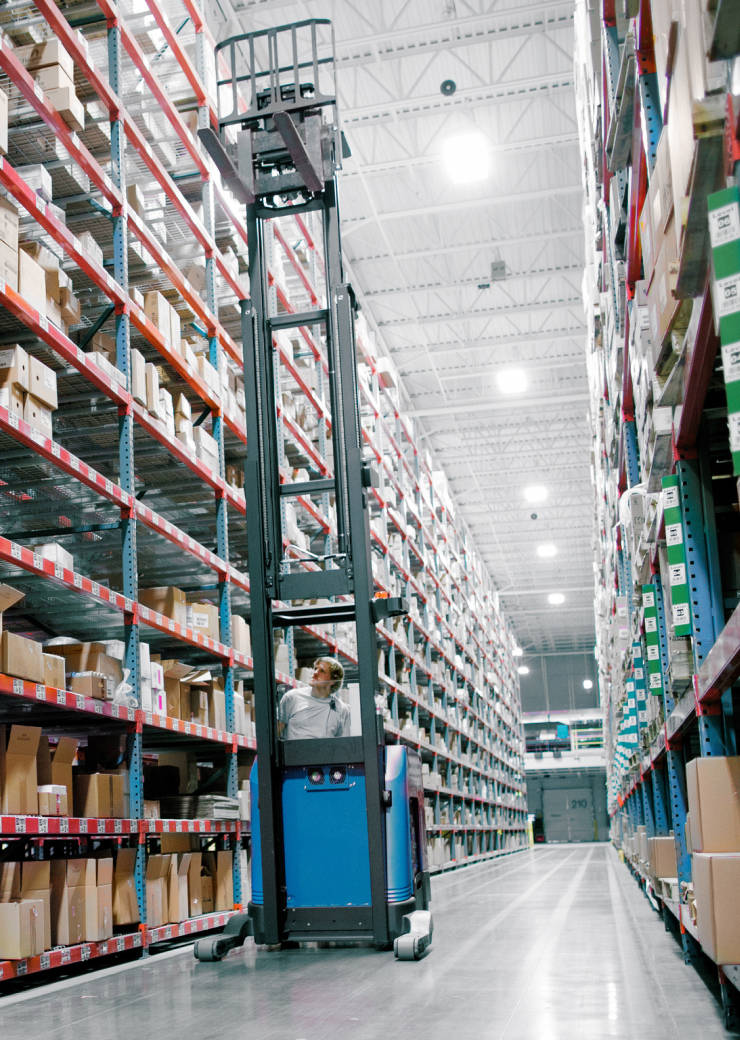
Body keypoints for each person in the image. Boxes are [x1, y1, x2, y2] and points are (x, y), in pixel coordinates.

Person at [278, 656, 350, 739]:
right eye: (315, 668)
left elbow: (342, 742)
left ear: (333, 681)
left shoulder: (341, 709)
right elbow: (277, 731)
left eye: (322, 671)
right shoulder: (292, 697)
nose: (315, 673)